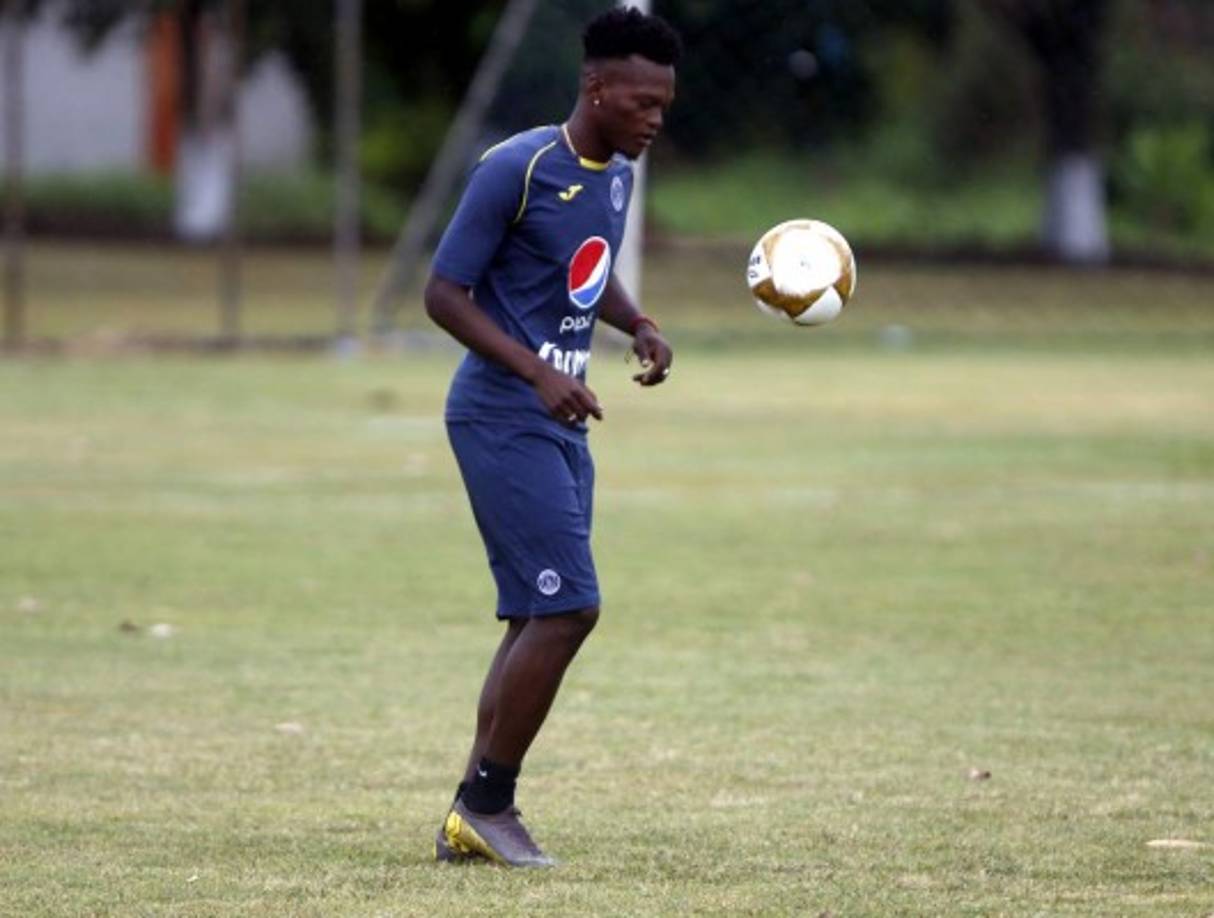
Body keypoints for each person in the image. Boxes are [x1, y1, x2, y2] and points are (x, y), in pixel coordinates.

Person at [423, 6, 682, 868]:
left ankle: (471, 812)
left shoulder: (617, 176)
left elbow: (585, 270)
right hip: (501, 414)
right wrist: (537, 371)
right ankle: (490, 804)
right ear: (596, 87)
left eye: (664, 107)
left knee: (537, 612)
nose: (653, 119)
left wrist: (635, 320)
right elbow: (444, 295)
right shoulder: (516, 167)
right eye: (641, 102)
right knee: (570, 607)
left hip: (558, 420)